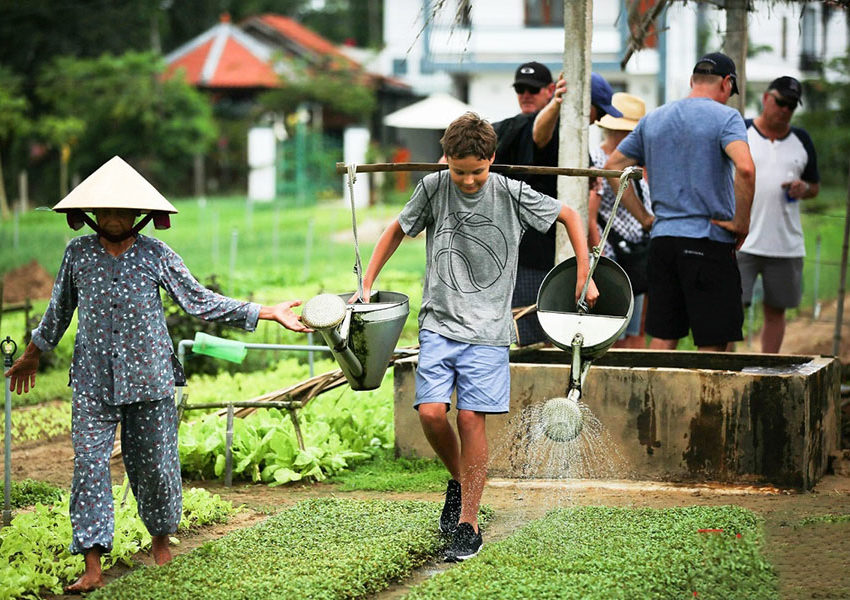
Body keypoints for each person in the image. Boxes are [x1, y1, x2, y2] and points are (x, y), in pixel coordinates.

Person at [4, 156, 311, 593]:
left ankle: (161, 540)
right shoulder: (78, 254)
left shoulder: (155, 254)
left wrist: (267, 312)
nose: (112, 218)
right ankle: (92, 563)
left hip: (149, 378)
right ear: (91, 214)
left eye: (121, 210)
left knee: (153, 465)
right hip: (92, 380)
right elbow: (59, 310)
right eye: (105, 210)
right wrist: (34, 352)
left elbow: (198, 301)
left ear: (138, 214)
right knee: (89, 466)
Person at [358, 113, 598, 561]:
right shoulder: (433, 187)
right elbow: (396, 229)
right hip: (439, 323)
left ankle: (468, 521)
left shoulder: (510, 192)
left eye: (477, 171)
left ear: (492, 159)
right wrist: (367, 281)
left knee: (471, 420)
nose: (468, 181)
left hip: (487, 332)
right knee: (431, 414)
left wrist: (584, 271)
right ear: (444, 160)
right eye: (458, 170)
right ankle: (461, 479)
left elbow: (569, 214)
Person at [603, 52, 756, 351]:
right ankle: (706, 400)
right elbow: (746, 169)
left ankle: (655, 399)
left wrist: (645, 218)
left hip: (663, 243)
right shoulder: (726, 118)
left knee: (662, 334)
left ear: (692, 81)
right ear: (727, 83)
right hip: (707, 239)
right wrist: (741, 222)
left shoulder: (654, 119)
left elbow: (613, 165)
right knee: (713, 341)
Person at [493, 64, 620, 345]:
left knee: (555, 330)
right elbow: (540, 134)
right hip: (527, 251)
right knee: (528, 334)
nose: (525, 94)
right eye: (520, 89)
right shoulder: (518, 127)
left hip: (556, 249)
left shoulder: (572, 137)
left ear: (549, 89)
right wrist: (556, 105)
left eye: (532, 90)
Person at [738, 76, 820, 353]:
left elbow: (815, 187)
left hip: (785, 244)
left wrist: (804, 188)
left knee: (777, 312)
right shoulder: (741, 131)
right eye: (781, 102)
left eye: (792, 106)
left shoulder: (802, 140)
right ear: (766, 99)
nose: (785, 110)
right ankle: (725, 371)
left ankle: (767, 370)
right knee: (730, 311)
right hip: (741, 241)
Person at [588, 92, 653, 348]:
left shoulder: (634, 164)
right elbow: (590, 216)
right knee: (611, 334)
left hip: (634, 256)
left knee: (633, 330)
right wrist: (600, 253)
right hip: (612, 256)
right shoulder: (596, 162)